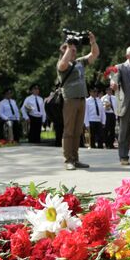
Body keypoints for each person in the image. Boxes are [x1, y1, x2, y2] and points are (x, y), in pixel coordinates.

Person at [56, 31, 99, 170]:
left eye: (75, 50)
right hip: (70, 100)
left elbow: (94, 55)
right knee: (68, 131)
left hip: (81, 100)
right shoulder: (62, 65)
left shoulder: (79, 62)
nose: (74, 52)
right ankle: (68, 160)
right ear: (65, 51)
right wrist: (69, 47)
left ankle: (75, 159)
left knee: (77, 131)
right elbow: (63, 64)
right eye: (71, 50)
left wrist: (93, 42)